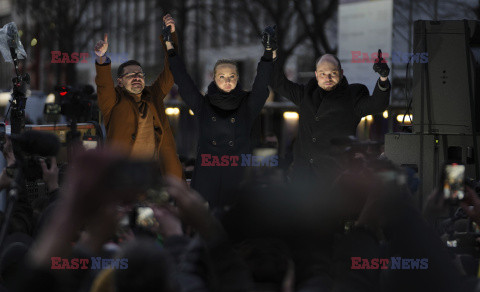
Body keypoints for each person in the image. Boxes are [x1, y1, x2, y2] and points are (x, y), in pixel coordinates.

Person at [163, 17, 275, 209]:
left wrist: (268, 53)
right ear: (214, 78)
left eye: (232, 76)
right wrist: (170, 48)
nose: (227, 80)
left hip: (238, 178)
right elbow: (183, 80)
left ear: (238, 78)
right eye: (222, 76)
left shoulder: (248, 105)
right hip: (208, 179)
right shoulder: (202, 105)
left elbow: (261, 84)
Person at [272, 48, 391, 182]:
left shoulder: (352, 97)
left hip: (333, 178)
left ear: (341, 73)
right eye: (323, 74)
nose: (327, 78)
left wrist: (383, 78)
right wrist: (272, 52)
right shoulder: (306, 94)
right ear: (316, 75)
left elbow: (378, 104)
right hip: (302, 177)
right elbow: (278, 83)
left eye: (332, 73)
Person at [93, 17, 182, 178]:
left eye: (140, 74)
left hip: (159, 177)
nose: (137, 77)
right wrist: (101, 59)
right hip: (126, 179)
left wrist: (170, 38)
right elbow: (104, 85)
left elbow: (171, 72)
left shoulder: (153, 94)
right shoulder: (113, 102)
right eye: (131, 75)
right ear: (119, 81)